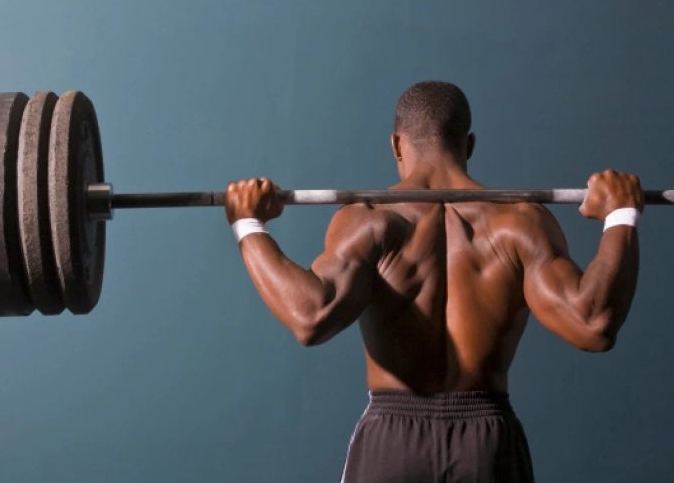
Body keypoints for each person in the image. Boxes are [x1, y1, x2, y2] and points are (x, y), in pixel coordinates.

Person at [223, 81, 643, 483]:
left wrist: (248, 223)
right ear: (469, 145)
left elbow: (311, 317)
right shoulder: (520, 223)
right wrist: (620, 216)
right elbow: (593, 324)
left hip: (392, 443)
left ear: (395, 145)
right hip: (487, 445)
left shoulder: (369, 221)